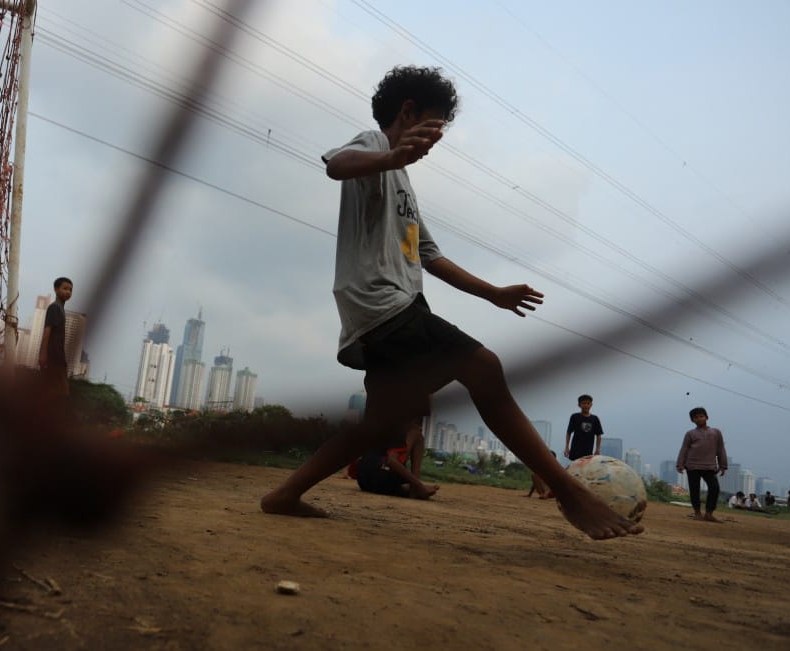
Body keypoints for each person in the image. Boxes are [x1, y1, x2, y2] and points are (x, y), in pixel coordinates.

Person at [259, 65, 643, 540]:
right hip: (384, 304)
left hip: (391, 309)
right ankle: (569, 492)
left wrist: (494, 294)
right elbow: (336, 164)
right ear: (408, 111)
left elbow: (430, 255)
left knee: (377, 427)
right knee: (484, 367)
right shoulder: (374, 146)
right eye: (435, 125)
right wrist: (390, 156)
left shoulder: (405, 187)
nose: (437, 139)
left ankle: (284, 495)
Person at [355, 418, 438, 499]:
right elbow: (391, 461)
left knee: (400, 477)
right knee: (417, 436)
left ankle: (409, 488)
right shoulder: (402, 430)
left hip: (363, 482)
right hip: (380, 477)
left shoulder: (382, 425)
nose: (420, 427)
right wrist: (419, 486)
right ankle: (415, 489)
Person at [676, 407, 728, 522]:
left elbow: (720, 449)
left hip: (709, 466)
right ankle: (697, 513)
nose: (699, 419)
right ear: (692, 420)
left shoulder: (716, 432)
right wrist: (680, 464)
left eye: (701, 416)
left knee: (714, 488)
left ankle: (709, 513)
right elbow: (684, 449)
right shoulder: (690, 434)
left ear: (707, 417)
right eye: (696, 417)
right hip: (692, 466)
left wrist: (723, 465)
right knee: (694, 490)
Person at [38, 277, 73, 398]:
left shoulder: (61, 309)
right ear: (56, 289)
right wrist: (43, 354)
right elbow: (47, 331)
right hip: (52, 357)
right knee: (60, 390)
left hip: (59, 356)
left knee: (57, 390)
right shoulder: (54, 308)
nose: (68, 292)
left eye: (70, 290)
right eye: (65, 288)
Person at [564, 394, 603, 461]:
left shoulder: (595, 419)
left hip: (588, 451)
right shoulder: (575, 417)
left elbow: (599, 435)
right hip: (575, 450)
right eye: (584, 403)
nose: (586, 405)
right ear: (579, 405)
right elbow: (569, 432)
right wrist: (567, 447)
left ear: (591, 405)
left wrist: (597, 449)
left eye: (588, 403)